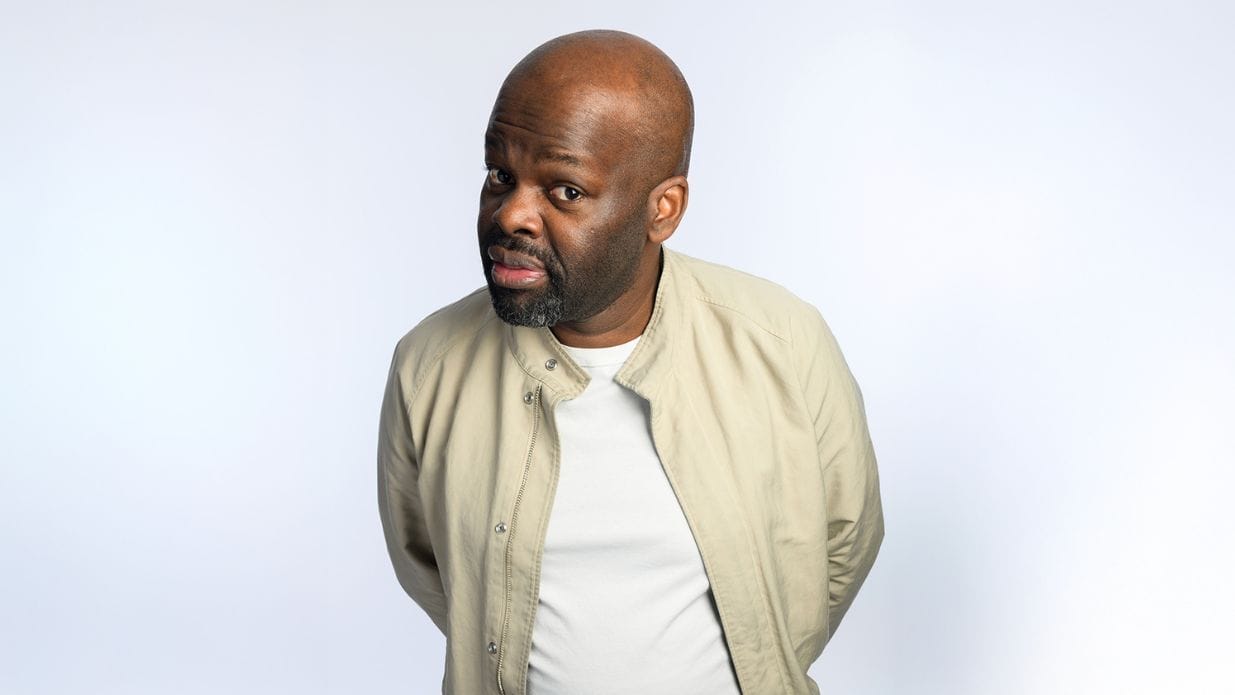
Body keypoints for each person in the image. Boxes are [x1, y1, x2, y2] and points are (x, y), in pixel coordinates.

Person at [377, 30, 884, 695]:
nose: (511, 214)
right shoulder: (430, 364)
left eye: (563, 191)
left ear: (662, 208)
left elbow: (844, 542)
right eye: (500, 174)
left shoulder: (782, 342)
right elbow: (433, 569)